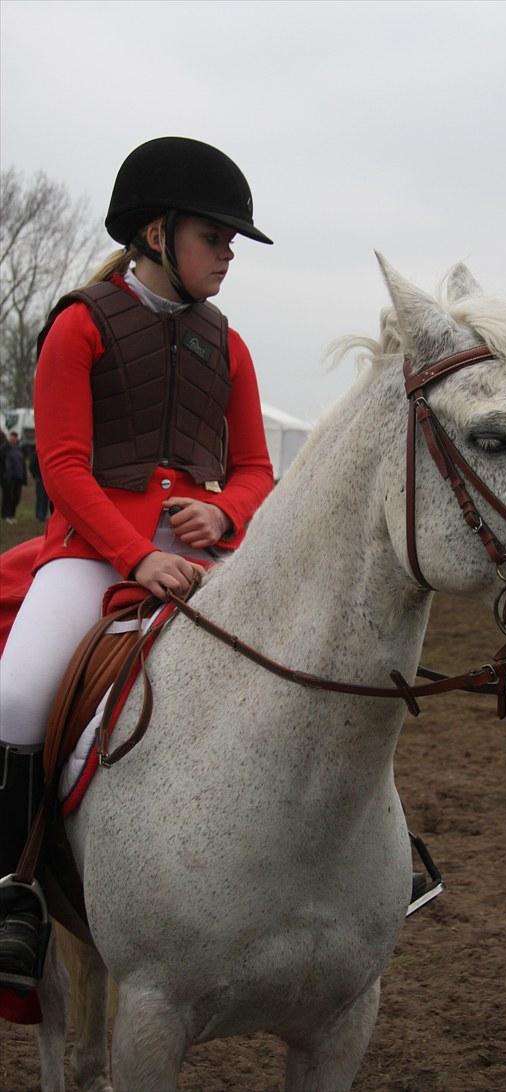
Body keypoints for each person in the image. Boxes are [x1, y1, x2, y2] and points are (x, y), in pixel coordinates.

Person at [0, 136, 275, 993]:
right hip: (93, 551)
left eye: (232, 243)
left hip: (203, 550)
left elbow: (258, 469)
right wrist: (133, 555)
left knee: (309, 647)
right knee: (16, 694)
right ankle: (16, 893)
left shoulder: (227, 345)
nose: (229, 256)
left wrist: (225, 508)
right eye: (215, 238)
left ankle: (361, 864)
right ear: (157, 234)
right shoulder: (79, 325)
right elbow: (65, 471)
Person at [1, 432, 27, 523]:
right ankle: (6, 516)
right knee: (8, 497)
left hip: (18, 477)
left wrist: (24, 476)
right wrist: (4, 475)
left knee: (16, 497)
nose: (13, 439)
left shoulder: (19, 449)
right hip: (8, 478)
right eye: (12, 437)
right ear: (9, 438)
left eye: (15, 438)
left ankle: (12, 515)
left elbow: (22, 463)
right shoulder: (4, 449)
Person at [28, 448, 49, 522]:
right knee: (40, 497)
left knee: (46, 498)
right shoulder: (35, 454)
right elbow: (31, 466)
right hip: (39, 479)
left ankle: (44, 514)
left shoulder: (47, 453)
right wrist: (35, 476)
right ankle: (39, 515)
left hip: (46, 479)